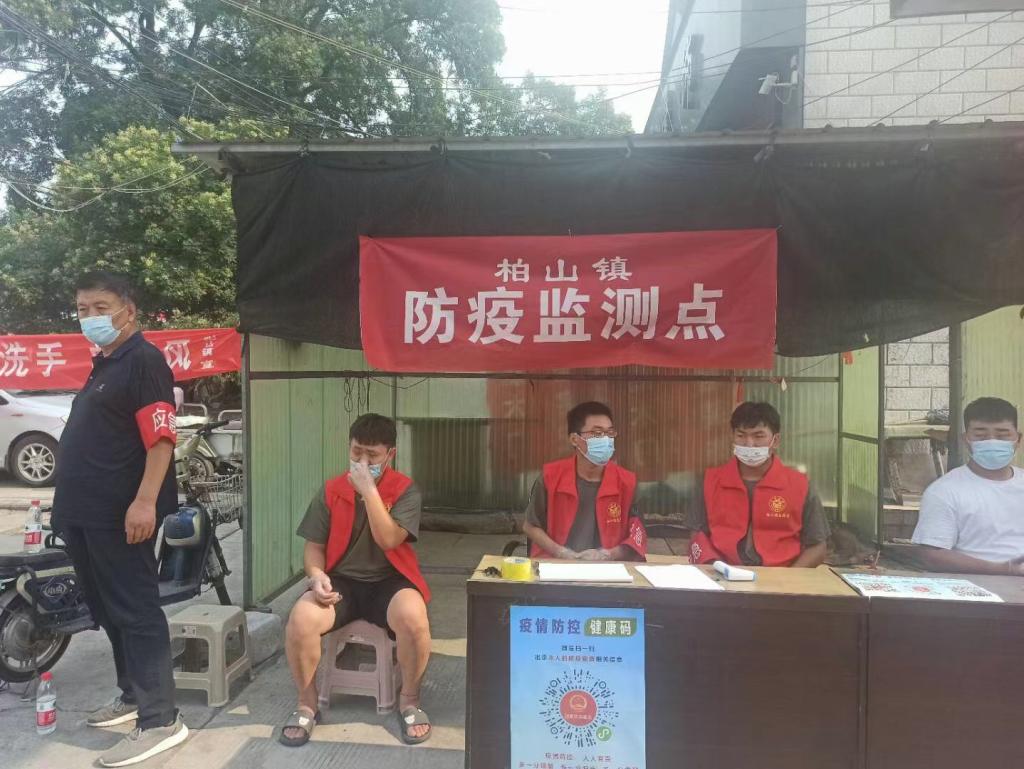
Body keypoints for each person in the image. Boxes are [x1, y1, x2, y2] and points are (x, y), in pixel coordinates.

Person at [51, 272, 186, 767]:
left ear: (128, 311)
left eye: (100, 307)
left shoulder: (143, 361)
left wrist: (145, 501)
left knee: (135, 611)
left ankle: (161, 719)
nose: (90, 316)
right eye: (82, 308)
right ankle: (133, 695)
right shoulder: (105, 363)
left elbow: (162, 438)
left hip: (121, 516)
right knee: (108, 610)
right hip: (85, 515)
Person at [282, 413, 432, 747]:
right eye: (356, 452)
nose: (362, 462)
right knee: (301, 618)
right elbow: (314, 547)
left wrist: (369, 492)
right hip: (342, 582)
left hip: (390, 581)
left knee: (413, 619)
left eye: (372, 455)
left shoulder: (405, 490)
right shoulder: (331, 490)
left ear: (390, 454)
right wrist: (317, 575)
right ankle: (306, 704)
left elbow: (389, 540)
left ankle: (409, 700)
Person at [685, 401, 830, 568]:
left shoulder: (800, 486)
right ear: (732, 437)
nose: (749, 444)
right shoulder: (709, 481)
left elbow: (817, 546)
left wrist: (789, 579)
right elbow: (697, 536)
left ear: (776, 440)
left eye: (758, 436)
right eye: (741, 435)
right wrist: (716, 570)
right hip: (721, 574)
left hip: (782, 575)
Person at [911, 397, 1024, 575]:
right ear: (966, 440)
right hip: (974, 585)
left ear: (1018, 439)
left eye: (1002, 435)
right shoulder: (944, 491)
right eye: (980, 436)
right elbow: (931, 555)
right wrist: (1004, 569)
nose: (991, 442)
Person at [523, 401, 647, 561]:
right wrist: (560, 552)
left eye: (609, 433)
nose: (606, 439)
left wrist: (607, 555)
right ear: (575, 439)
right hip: (556, 566)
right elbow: (530, 525)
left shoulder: (627, 483)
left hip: (611, 569)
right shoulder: (550, 477)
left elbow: (637, 535)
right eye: (597, 433)